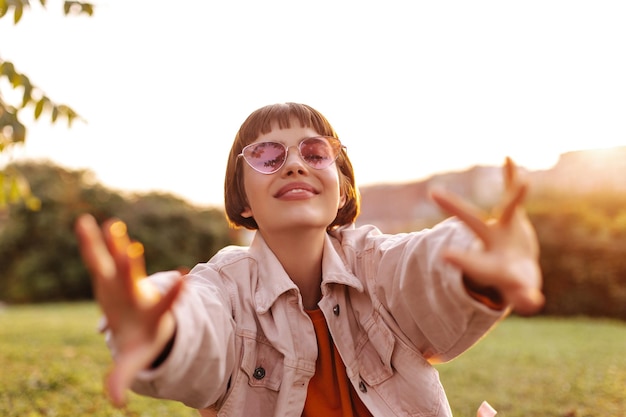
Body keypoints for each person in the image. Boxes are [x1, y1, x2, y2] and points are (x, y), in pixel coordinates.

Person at [75, 102, 544, 417]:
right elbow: (198, 317)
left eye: (315, 153)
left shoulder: (374, 265)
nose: (294, 164)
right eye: (266, 156)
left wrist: (478, 259)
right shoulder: (225, 287)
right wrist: (159, 331)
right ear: (241, 198)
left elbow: (422, 268)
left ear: (342, 188)